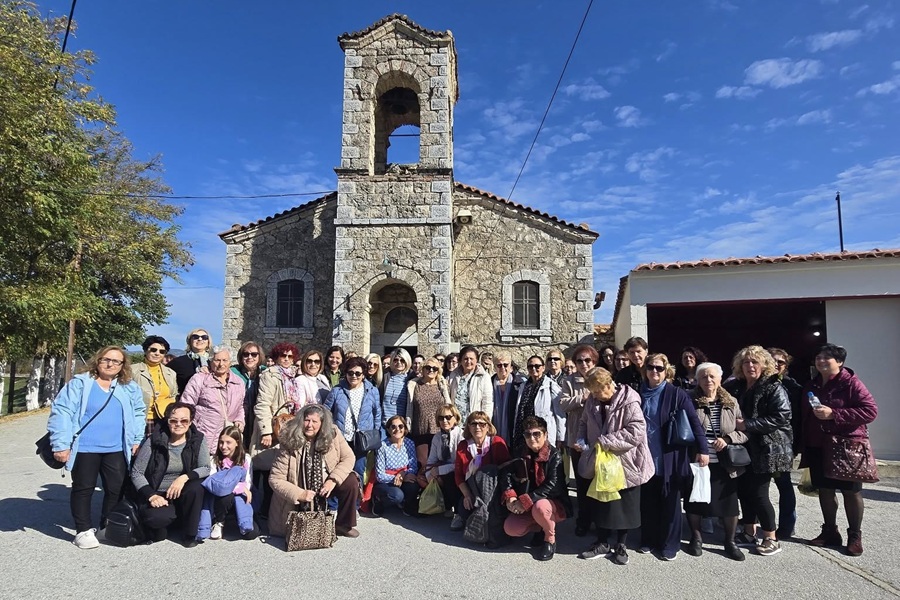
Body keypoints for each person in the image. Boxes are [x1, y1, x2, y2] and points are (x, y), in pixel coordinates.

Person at [47, 346, 145, 549]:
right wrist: (61, 444)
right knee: (84, 488)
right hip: (85, 448)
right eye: (106, 359)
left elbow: (138, 413)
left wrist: (136, 439)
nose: (110, 364)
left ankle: (106, 524)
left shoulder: (129, 387)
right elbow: (62, 412)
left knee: (115, 488)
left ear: (122, 366)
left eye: (116, 361)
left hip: (116, 448)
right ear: (97, 360)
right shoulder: (81, 384)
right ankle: (83, 530)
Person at [800, 344, 877, 556]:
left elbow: (870, 411)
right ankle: (830, 532)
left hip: (846, 446)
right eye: (818, 357)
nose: (821, 361)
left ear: (840, 362)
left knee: (850, 491)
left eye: (827, 358)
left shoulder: (851, 383)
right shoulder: (812, 384)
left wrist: (835, 413)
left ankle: (855, 536)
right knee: (825, 489)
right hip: (817, 444)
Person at [576, 367, 653, 565]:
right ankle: (602, 543)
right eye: (592, 391)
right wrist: (581, 439)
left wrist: (606, 441)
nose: (593, 395)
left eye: (596, 391)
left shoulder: (629, 399)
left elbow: (637, 430)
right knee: (601, 500)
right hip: (600, 461)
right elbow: (583, 422)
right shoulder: (593, 400)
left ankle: (621, 544)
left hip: (625, 460)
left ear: (608, 385)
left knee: (623, 503)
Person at [638, 353, 709, 561]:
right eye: (651, 367)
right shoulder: (638, 393)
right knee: (648, 501)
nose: (654, 372)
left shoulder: (677, 394)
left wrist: (703, 449)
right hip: (645, 456)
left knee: (670, 501)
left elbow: (695, 423)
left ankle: (670, 544)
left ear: (666, 371)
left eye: (659, 368)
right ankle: (648, 539)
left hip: (670, 456)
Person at [724, 345, 793, 557]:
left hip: (767, 447)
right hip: (744, 447)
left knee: (759, 493)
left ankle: (771, 537)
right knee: (744, 490)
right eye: (746, 362)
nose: (750, 366)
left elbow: (782, 416)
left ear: (764, 365)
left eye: (755, 362)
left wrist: (749, 424)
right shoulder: (738, 386)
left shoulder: (773, 386)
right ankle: (748, 531)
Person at [684, 362, 749, 561]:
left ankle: (729, 542)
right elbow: (684, 428)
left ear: (720, 379)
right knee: (695, 501)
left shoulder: (731, 402)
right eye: (703, 376)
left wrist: (728, 439)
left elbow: (744, 431)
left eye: (712, 376)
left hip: (724, 461)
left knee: (729, 504)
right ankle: (696, 538)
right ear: (697, 380)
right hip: (698, 459)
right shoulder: (689, 400)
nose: (708, 380)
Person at [268, 404, 361, 539]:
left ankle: (343, 525)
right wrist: (300, 494)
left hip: (326, 483)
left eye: (314, 421)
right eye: (306, 420)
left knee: (351, 481)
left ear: (322, 424)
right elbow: (275, 479)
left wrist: (332, 480)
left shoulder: (333, 433)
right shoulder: (289, 439)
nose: (309, 425)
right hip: (300, 487)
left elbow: (348, 457)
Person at [131, 402, 210, 547]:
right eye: (174, 420)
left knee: (197, 486)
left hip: (183, 491)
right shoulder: (154, 441)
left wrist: (184, 477)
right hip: (158, 493)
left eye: (184, 420)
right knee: (156, 520)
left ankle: (190, 534)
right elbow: (136, 472)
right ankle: (170, 520)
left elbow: (205, 467)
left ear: (190, 421)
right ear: (167, 422)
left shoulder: (198, 439)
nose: (179, 424)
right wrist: (151, 495)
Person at [501, 416, 571, 561]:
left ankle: (549, 539)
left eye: (536, 434)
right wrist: (511, 496)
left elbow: (553, 486)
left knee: (540, 507)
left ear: (545, 435)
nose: (532, 438)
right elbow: (506, 473)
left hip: (552, 503)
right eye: (528, 434)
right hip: (528, 503)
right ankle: (541, 527)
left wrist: (525, 500)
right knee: (510, 528)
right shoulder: (520, 453)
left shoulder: (554, 456)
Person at [323, 356, 383, 482]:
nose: (354, 376)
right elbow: (325, 412)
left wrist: (375, 432)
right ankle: (335, 501)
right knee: (337, 472)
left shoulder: (372, 391)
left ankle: (355, 501)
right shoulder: (337, 391)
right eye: (350, 373)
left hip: (362, 440)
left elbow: (377, 413)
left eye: (357, 373)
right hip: (340, 438)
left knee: (358, 473)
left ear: (363, 374)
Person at [559, 344, 598, 537]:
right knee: (582, 482)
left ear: (594, 361)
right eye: (580, 361)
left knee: (599, 481)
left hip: (599, 439)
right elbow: (563, 403)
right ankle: (584, 520)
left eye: (587, 360)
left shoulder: (601, 378)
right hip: (577, 438)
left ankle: (600, 520)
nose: (584, 364)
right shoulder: (569, 381)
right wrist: (582, 398)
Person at [452, 411, 511, 531]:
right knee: (464, 509)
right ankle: (461, 516)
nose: (477, 427)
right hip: (472, 488)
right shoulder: (463, 446)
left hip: (493, 488)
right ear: (468, 426)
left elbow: (507, 470)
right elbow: (458, 474)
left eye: (482, 424)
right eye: (473, 424)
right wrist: (467, 495)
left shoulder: (497, 442)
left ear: (488, 426)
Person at [180, 346, 245, 453]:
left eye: (225, 360)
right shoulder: (200, 379)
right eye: (217, 360)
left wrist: (240, 420)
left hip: (228, 437)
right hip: (203, 435)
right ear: (210, 361)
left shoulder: (238, 382)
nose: (221, 364)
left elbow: (241, 405)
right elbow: (186, 406)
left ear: (230, 362)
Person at [198, 425, 257, 541]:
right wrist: (239, 487)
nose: (223, 446)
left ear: (237, 443)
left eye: (228, 442)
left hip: (240, 498)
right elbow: (215, 485)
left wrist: (242, 488)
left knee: (252, 534)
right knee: (226, 496)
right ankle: (219, 521)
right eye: (221, 442)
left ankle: (242, 520)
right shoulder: (214, 460)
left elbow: (248, 482)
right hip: (219, 498)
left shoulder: (246, 459)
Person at [768, 346, 802, 540]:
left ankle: (787, 525)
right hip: (760, 444)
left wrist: (796, 445)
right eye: (772, 360)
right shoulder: (755, 383)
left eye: (780, 362)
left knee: (784, 485)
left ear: (785, 366)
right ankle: (758, 519)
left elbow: (796, 419)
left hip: (782, 444)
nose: (776, 364)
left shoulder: (793, 387)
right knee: (759, 487)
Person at [406, 356, 452, 471]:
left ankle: (436, 489)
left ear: (438, 371)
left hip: (440, 431)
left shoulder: (443, 385)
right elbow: (409, 408)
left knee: (439, 464)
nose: (431, 370)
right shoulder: (414, 385)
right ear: (423, 369)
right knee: (423, 465)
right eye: (428, 367)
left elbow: (449, 406)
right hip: (420, 431)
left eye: (434, 368)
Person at [512, 355, 564, 451]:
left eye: (537, 366)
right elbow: (518, 412)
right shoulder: (523, 387)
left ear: (543, 368)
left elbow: (560, 413)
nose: (534, 368)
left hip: (542, 433)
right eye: (530, 366)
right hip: (525, 433)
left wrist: (560, 438)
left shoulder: (551, 385)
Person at [422, 405, 465, 518]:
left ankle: (458, 514)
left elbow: (460, 464)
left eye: (448, 417)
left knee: (451, 478)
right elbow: (431, 460)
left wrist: (439, 471)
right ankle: (443, 506)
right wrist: (430, 475)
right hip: (440, 471)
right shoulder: (437, 437)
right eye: (441, 418)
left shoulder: (461, 436)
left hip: (458, 470)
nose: (444, 421)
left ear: (455, 418)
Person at [373, 416, 420, 516]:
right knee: (397, 495)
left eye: (400, 426)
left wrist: (403, 474)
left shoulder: (409, 443)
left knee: (413, 487)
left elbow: (413, 466)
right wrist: (396, 478)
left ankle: (406, 505)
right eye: (393, 427)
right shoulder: (382, 446)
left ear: (405, 429)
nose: (397, 429)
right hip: (386, 480)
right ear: (388, 430)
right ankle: (379, 501)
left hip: (403, 476)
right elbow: (380, 475)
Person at [132, 335, 177, 428]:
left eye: (162, 351)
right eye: (153, 350)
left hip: (163, 420)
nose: (157, 353)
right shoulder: (132, 370)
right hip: (139, 420)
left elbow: (173, 395)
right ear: (145, 350)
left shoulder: (171, 373)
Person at [231, 341, 264, 450]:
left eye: (254, 354)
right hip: (239, 415)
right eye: (246, 354)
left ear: (259, 356)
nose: (250, 357)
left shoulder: (265, 372)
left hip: (257, 415)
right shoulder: (232, 372)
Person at [448, 346, 494, 422]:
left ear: (476, 360)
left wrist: (485, 422)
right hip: (456, 421)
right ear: (461, 360)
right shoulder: (454, 375)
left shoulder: (484, 377)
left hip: (475, 422)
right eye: (465, 359)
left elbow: (487, 403)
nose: (468, 361)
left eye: (471, 359)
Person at [167, 328, 213, 395]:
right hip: (184, 402)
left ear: (208, 342)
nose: (200, 339)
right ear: (189, 341)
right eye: (195, 337)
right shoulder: (178, 362)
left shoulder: (214, 363)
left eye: (204, 337)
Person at [491, 351, 522, 442]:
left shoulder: (519, 384)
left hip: (512, 427)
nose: (503, 368)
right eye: (499, 365)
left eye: (506, 365)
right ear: (494, 367)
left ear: (511, 366)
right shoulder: (488, 383)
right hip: (493, 426)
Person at [381, 348, 413, 423]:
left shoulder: (412, 379)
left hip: (402, 425)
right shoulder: (384, 377)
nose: (399, 362)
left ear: (407, 361)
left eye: (402, 360)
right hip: (384, 423)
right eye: (395, 360)